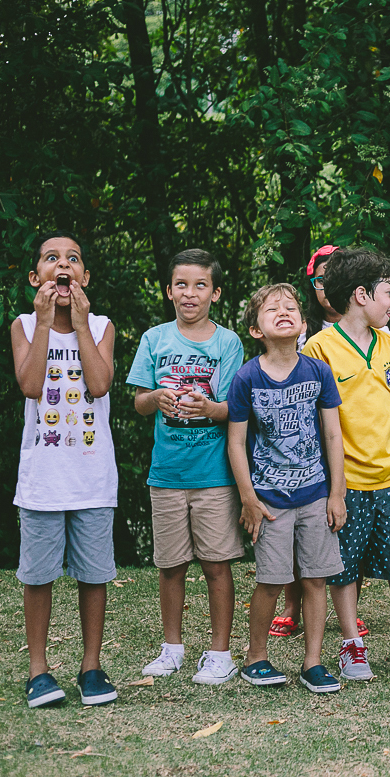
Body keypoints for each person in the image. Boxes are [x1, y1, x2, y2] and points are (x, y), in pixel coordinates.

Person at [302, 248, 390, 679]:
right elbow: (316, 422)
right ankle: (352, 646)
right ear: (361, 295)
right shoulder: (319, 348)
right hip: (346, 483)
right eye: (389, 293)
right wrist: (334, 487)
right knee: (345, 567)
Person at [10, 231, 119, 707]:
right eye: (52, 258)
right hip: (43, 480)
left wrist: (78, 325)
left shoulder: (101, 326)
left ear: (84, 277)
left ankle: (90, 667)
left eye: (73, 259)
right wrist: (41, 322)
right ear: (37, 277)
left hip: (93, 478)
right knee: (39, 575)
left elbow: (98, 384)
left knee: (94, 575)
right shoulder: (22, 324)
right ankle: (39, 670)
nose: (64, 264)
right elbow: (31, 385)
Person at [128, 249, 245, 685]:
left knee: (217, 564)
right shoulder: (155, 338)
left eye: (200, 285)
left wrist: (208, 407)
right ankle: (172, 649)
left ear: (215, 293)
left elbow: (234, 408)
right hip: (167, 473)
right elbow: (139, 402)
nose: (190, 293)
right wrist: (157, 398)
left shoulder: (227, 342)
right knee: (171, 565)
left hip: (214, 474)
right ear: (168, 291)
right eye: (181, 284)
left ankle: (220, 653)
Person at [226, 283, 346, 692]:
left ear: (303, 323)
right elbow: (236, 442)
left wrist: (337, 494)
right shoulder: (246, 378)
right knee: (271, 580)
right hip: (270, 501)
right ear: (256, 330)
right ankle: (255, 657)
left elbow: (333, 436)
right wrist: (248, 498)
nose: (283, 312)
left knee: (316, 579)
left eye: (290, 307)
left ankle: (313, 662)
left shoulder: (318, 372)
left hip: (315, 495)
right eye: (271, 309)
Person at [273, 243, 371, 641]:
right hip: (307, 444)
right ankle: (293, 605)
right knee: (301, 527)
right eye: (319, 280)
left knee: (352, 528)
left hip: (357, 444)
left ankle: (350, 606)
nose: (327, 286)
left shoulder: (374, 328)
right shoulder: (301, 331)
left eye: (335, 278)